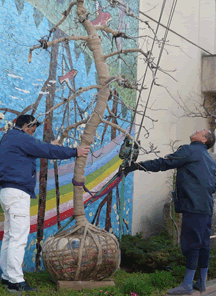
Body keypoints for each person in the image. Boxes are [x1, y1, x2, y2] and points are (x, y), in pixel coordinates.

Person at [0, 114, 90, 294]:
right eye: (33, 128)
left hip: (6, 192)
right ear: (25, 125)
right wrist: (75, 152)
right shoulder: (21, 138)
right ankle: (16, 281)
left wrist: (49, 146)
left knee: (10, 236)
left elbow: (41, 148)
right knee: (18, 238)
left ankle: (6, 277)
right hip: (17, 194)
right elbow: (46, 151)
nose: (34, 131)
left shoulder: (9, 138)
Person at [124, 129, 216, 295]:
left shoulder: (189, 150)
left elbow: (165, 163)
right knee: (203, 244)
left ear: (204, 139)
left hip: (192, 206)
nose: (195, 130)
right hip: (206, 207)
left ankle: (187, 285)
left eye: (200, 131)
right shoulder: (210, 159)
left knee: (191, 244)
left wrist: (137, 166)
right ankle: (201, 281)